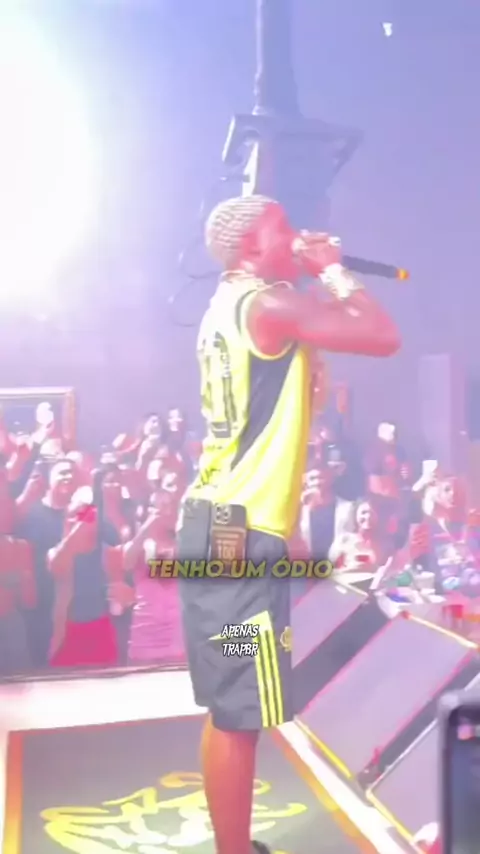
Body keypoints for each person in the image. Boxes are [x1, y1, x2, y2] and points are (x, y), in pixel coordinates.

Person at [175, 194, 400, 854]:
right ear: (251, 247)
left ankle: (234, 847)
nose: (299, 237)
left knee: (231, 707)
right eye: (285, 230)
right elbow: (380, 334)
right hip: (237, 533)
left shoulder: (228, 307)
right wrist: (331, 268)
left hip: (223, 523)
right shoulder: (268, 305)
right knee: (240, 712)